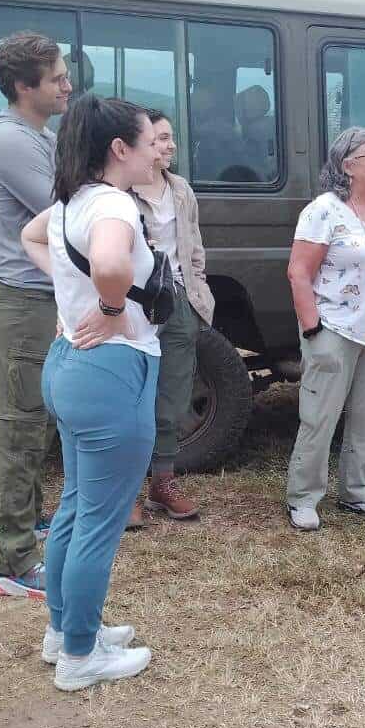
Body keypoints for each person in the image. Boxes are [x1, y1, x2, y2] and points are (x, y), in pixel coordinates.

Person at [19, 95, 162, 691]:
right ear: (119, 149)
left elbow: (30, 238)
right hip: (109, 372)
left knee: (77, 511)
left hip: (70, 366)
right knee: (98, 524)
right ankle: (80, 655)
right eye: (150, 139)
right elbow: (107, 261)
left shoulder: (69, 201)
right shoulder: (113, 206)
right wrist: (110, 306)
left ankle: (65, 632)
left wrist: (74, 293)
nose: (158, 148)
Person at [0, 31, 72, 600]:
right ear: (22, 85)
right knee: (17, 430)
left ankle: (32, 520)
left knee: (41, 419)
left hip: (39, 299)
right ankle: (12, 564)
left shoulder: (38, 135)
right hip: (19, 302)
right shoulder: (11, 142)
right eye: (56, 76)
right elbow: (64, 212)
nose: (67, 84)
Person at [284, 127, 365, 530]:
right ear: (346, 166)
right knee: (319, 416)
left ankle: (358, 492)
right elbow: (298, 272)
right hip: (336, 329)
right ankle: (304, 498)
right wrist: (313, 332)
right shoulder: (323, 209)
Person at [130, 110, 215, 524]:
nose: (170, 146)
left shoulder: (181, 189)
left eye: (170, 138)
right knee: (130, 398)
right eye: (161, 138)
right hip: (134, 304)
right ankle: (127, 492)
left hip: (177, 301)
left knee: (173, 399)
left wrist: (197, 296)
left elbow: (194, 249)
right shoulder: (121, 191)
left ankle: (162, 483)